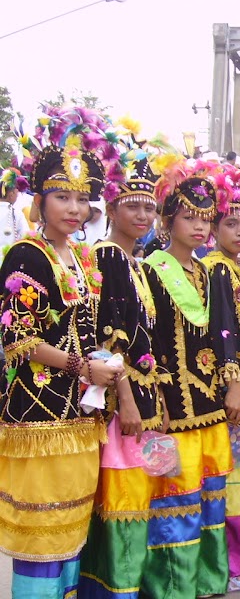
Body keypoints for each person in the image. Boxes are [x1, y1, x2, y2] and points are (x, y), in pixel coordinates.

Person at [0, 136, 122, 596]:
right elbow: (19, 339)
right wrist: (82, 369)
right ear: (40, 200)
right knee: (42, 526)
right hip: (40, 413)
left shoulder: (84, 258)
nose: (74, 208)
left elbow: (87, 332)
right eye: (62, 196)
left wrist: (102, 365)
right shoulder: (27, 255)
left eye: (82, 198)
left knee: (71, 521)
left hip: (80, 412)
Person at [141, 158, 232, 597]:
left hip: (211, 405)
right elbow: (144, 340)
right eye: (189, 218)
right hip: (169, 408)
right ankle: (172, 586)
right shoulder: (150, 271)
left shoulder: (212, 272)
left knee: (211, 497)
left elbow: (224, 333)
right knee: (172, 499)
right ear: (168, 219)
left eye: (206, 219)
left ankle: (209, 579)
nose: (200, 227)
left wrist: (233, 383)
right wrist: (150, 400)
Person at [78, 157, 168, 597]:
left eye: (149, 208)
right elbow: (110, 339)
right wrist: (128, 399)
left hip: (148, 397)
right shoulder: (108, 257)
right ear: (111, 210)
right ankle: (116, 589)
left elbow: (147, 341)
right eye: (132, 207)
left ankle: (144, 583)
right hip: (123, 400)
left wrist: (159, 399)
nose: (142, 216)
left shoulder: (138, 260)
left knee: (148, 492)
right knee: (123, 498)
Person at [203, 165, 240, 590]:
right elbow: (224, 330)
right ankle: (232, 561)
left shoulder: (235, 267)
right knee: (233, 475)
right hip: (230, 387)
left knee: (238, 472)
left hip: (237, 384)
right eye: (231, 223)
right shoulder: (219, 269)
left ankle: (235, 557)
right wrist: (234, 385)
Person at [0, 166, 30, 257]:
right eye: (17, 191)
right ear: (11, 194)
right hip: (7, 261)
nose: (18, 195)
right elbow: (26, 238)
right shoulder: (16, 213)